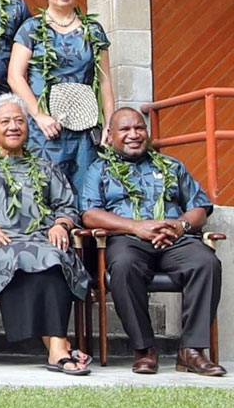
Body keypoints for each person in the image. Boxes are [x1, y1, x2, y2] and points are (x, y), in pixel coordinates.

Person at [0, 93, 92, 376]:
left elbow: (66, 205)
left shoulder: (45, 167)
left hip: (42, 238)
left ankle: (57, 349)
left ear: (28, 126)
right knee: (13, 255)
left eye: (19, 120)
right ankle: (59, 347)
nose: (13, 127)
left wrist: (60, 225)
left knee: (54, 256)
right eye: (5, 121)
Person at [81, 107, 224, 376]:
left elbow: (200, 206)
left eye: (139, 128)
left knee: (206, 262)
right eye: (125, 130)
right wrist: (137, 227)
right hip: (128, 238)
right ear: (110, 136)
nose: (134, 135)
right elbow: (89, 214)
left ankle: (191, 351)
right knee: (123, 266)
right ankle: (144, 350)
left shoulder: (171, 165)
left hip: (174, 238)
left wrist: (179, 226)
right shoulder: (99, 170)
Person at [8, 0, 115, 197]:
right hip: (45, 126)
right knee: (45, 187)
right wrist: (39, 116)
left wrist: (109, 123)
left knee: (85, 187)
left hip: (84, 124)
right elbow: (15, 76)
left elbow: (105, 81)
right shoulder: (32, 28)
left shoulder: (93, 30)